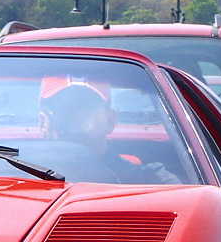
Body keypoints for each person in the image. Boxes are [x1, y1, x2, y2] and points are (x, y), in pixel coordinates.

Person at [38, 78, 177, 184]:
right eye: (63, 107)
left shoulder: (150, 181)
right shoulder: (20, 176)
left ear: (110, 120)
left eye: (85, 105)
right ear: (43, 123)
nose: (75, 116)